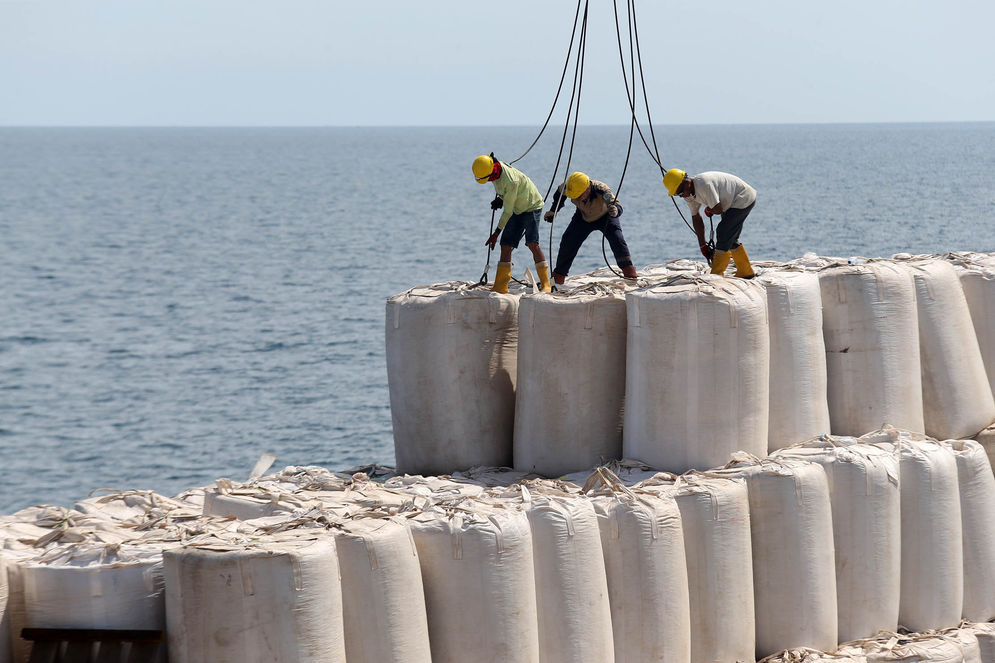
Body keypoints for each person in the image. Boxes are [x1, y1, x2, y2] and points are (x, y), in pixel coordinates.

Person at [472, 154, 551, 293]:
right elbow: (506, 194)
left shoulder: (511, 181)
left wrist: (496, 233)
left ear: (493, 171)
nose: (490, 181)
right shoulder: (493, 168)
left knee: (533, 243)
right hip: (516, 207)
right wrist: (501, 199)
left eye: (489, 178)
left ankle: (546, 284)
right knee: (506, 245)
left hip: (531, 205)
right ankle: (501, 286)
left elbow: (507, 213)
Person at [544, 171, 637, 284]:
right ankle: (558, 277)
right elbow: (559, 197)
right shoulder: (567, 187)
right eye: (575, 196)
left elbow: (617, 205)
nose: (577, 198)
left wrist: (615, 211)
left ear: (588, 189)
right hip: (583, 216)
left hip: (605, 216)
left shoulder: (602, 190)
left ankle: (630, 274)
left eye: (579, 196)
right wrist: (553, 211)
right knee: (568, 241)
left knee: (618, 240)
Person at [663, 168, 757, 278]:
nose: (681, 196)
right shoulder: (688, 195)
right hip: (730, 203)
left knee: (723, 232)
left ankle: (716, 274)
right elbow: (696, 218)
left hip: (742, 197)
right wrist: (702, 245)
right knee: (730, 237)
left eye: (679, 192)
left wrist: (709, 210)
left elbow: (717, 209)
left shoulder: (704, 184)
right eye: (677, 194)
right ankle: (745, 271)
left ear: (687, 183)